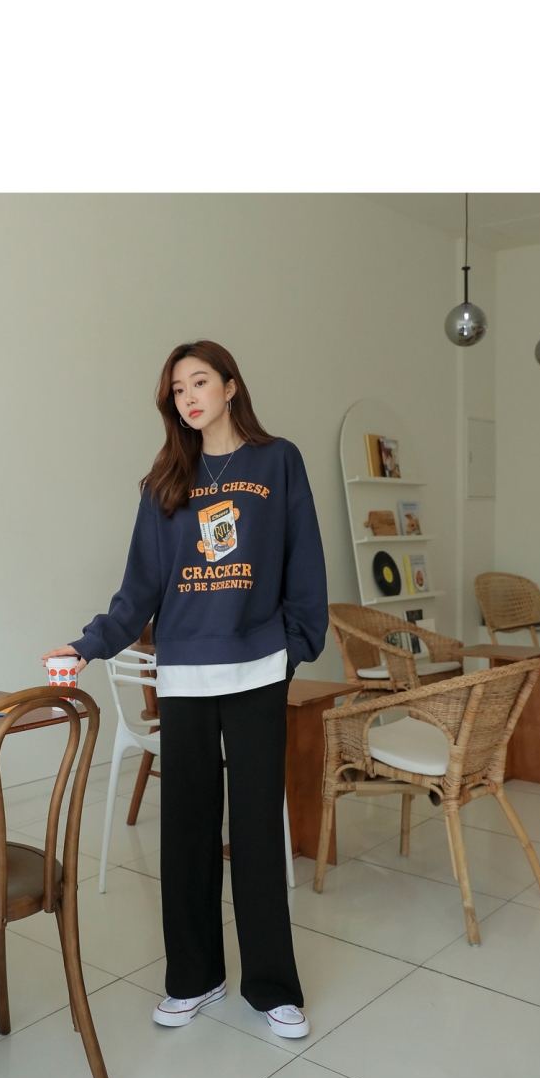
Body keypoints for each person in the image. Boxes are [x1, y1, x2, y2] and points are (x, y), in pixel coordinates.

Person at [42, 340, 328, 1039]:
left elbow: (304, 563)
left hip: (257, 668)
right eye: (178, 389)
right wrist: (88, 644)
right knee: (188, 831)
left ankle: (272, 986)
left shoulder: (277, 461)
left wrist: (294, 647)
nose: (189, 396)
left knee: (257, 831)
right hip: (186, 676)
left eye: (200, 382)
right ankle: (194, 977)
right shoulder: (165, 481)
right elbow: (139, 589)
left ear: (231, 387)